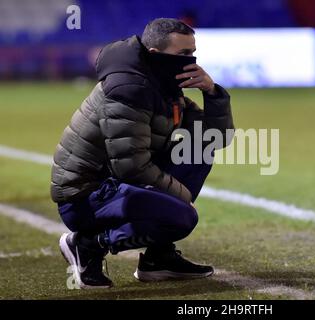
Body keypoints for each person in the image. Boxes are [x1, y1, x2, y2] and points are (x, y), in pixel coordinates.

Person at [51, 18, 234, 289]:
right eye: (183, 54)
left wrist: (212, 92)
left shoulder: (162, 84)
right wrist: (181, 199)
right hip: (86, 196)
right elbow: (131, 167)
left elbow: (216, 137)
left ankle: (158, 259)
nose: (191, 61)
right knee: (182, 217)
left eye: (193, 53)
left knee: (200, 146)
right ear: (155, 55)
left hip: (116, 183)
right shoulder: (129, 88)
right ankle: (86, 245)